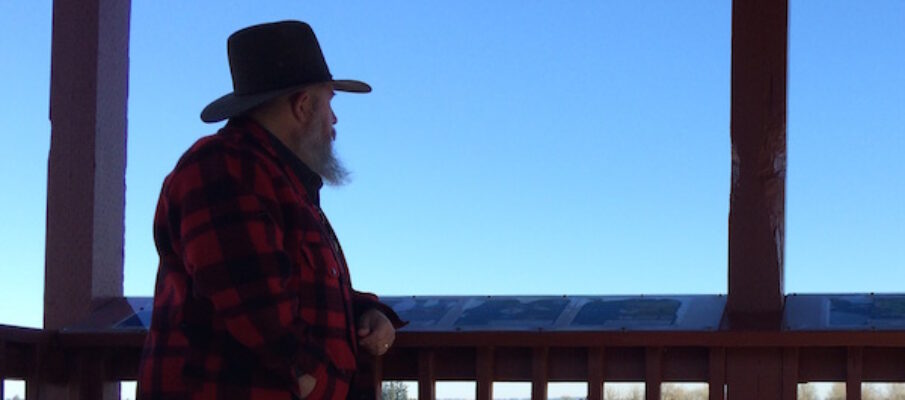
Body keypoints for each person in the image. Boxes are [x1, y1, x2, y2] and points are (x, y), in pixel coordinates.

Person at [138, 20, 405, 400]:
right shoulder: (225, 167)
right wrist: (312, 379)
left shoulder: (274, 178)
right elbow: (254, 301)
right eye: (329, 103)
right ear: (303, 105)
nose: (334, 120)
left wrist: (366, 312)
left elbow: (292, 285)